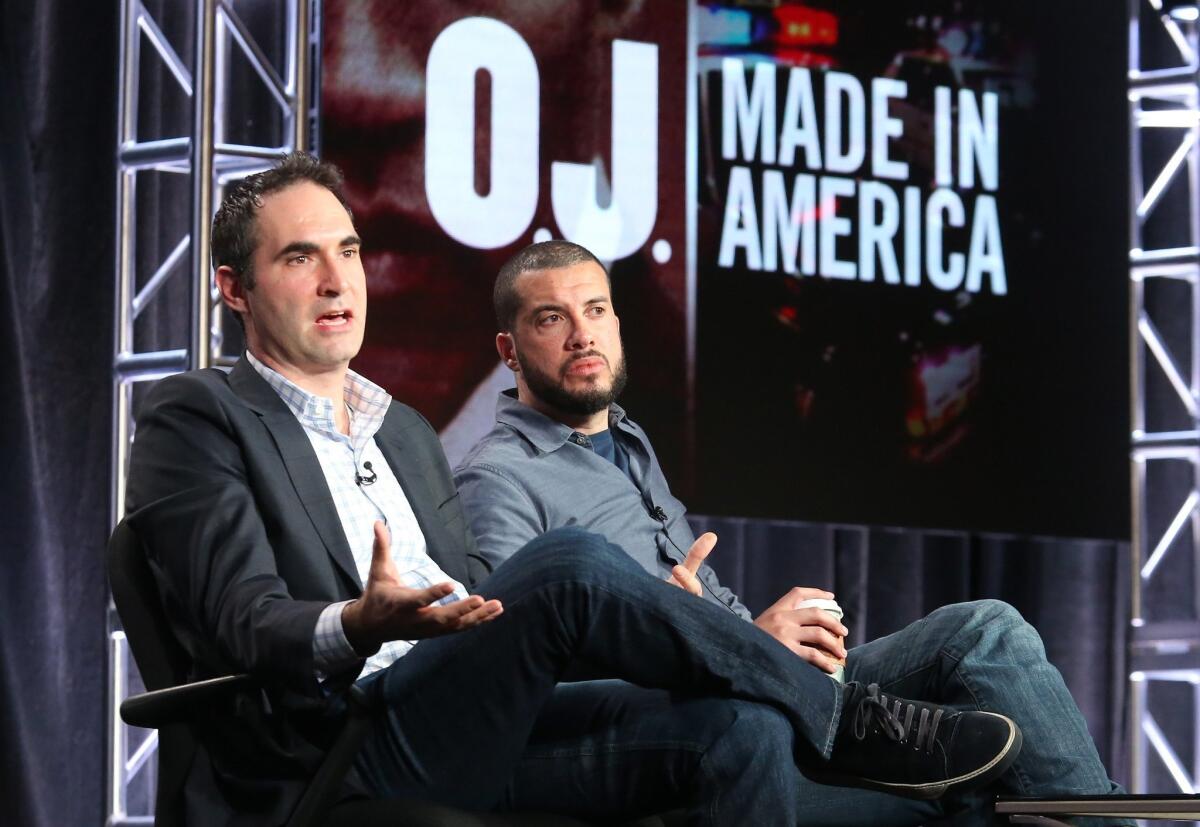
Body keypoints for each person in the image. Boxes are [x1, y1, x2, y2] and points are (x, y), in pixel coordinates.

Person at [124, 154, 1021, 826]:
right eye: (300, 258)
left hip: (475, 717)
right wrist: (364, 620)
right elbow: (241, 619)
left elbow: (493, 601)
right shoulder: (195, 416)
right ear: (233, 289)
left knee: (736, 730)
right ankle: (844, 715)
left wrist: (657, 619)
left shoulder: (402, 429)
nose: (337, 279)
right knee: (571, 562)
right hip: (345, 742)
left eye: (349, 251)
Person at [453, 239, 1131, 827]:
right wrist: (727, 644)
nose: (583, 334)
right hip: (695, 721)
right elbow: (517, 671)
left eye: (596, 310)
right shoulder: (498, 477)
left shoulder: (626, 440)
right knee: (972, 796)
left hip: (765, 677)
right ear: (509, 351)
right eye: (553, 318)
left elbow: (691, 586)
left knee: (984, 632)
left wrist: (777, 641)